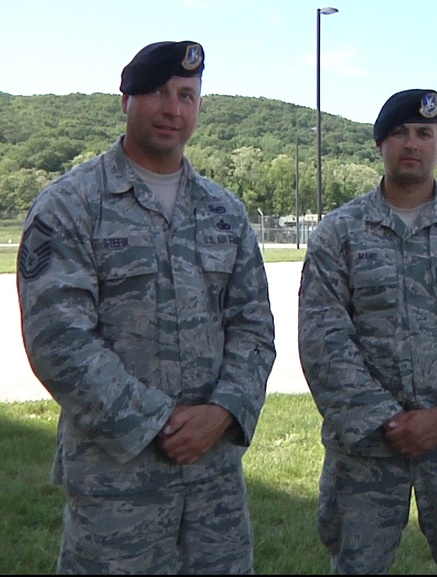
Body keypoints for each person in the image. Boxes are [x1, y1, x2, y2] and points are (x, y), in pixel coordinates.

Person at [16, 41, 276, 574]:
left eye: (186, 95)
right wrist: (160, 422)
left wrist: (224, 410)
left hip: (214, 486)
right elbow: (58, 340)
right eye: (157, 92)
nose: (172, 109)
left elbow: (254, 326)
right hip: (116, 486)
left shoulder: (225, 212)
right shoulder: (70, 206)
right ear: (126, 100)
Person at [297, 88, 437, 574]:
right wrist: (383, 418)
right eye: (399, 133)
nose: (412, 143)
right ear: (380, 145)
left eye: (425, 133)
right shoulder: (340, 233)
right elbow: (323, 339)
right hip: (367, 450)